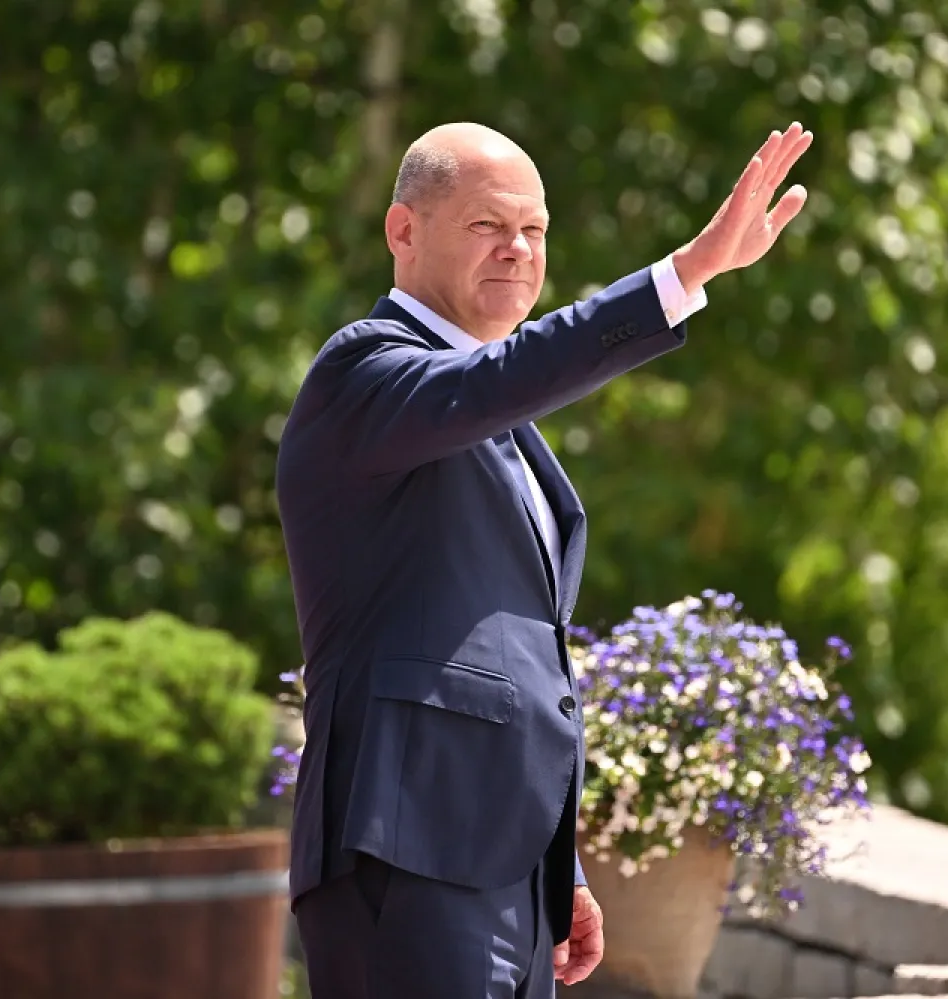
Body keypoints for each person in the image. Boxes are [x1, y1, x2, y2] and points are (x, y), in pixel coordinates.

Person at [274, 119, 813, 999]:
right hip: (404, 854)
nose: (518, 250)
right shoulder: (364, 375)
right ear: (402, 232)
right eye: (488, 226)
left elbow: (509, 658)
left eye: (536, 231)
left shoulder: (497, 420)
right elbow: (498, 380)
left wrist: (559, 868)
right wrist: (684, 275)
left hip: (506, 867)